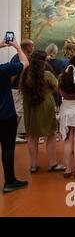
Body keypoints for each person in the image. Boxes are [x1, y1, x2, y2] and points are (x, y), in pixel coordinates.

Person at [20, 50, 65, 174]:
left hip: (29, 106)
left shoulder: (25, 74)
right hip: (45, 106)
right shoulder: (47, 75)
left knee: (32, 136)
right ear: (43, 61)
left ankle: (33, 165)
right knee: (50, 135)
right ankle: (52, 163)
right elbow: (58, 89)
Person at [0, 37, 29, 193]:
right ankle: (9, 181)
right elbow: (25, 63)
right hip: (5, 115)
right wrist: (17, 47)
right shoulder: (4, 69)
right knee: (7, 148)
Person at [10, 39, 34, 143]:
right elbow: (13, 74)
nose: (33, 48)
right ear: (26, 47)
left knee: (20, 111)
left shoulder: (23, 57)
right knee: (17, 112)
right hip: (16, 89)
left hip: (21, 89)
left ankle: (16, 133)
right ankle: (12, 135)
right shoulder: (17, 57)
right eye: (32, 46)